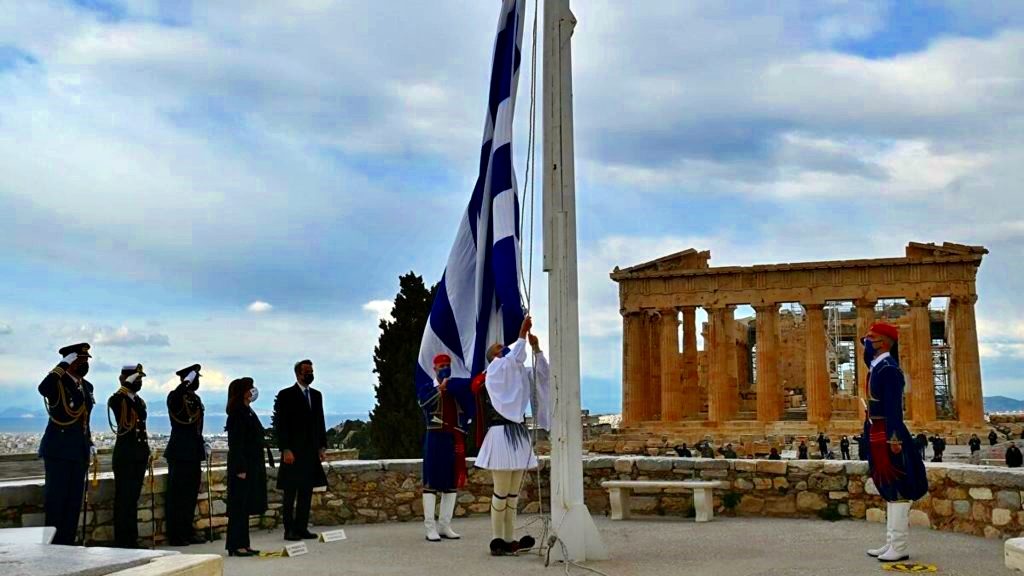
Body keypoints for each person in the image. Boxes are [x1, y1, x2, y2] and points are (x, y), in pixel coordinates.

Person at [472, 316, 548, 557]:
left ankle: (508, 538)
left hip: (516, 433)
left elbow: (541, 374)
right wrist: (521, 335)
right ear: (493, 357)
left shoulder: (514, 370)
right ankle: (497, 538)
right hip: (501, 434)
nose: (502, 348)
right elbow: (512, 358)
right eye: (497, 348)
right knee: (501, 489)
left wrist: (535, 349)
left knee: (513, 491)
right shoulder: (494, 371)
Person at [862, 322, 928, 563]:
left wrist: (894, 438)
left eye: (871, 338)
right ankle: (891, 541)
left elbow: (893, 409)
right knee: (888, 487)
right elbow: (867, 354)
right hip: (877, 431)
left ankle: (899, 546)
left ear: (884, 342)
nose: (867, 342)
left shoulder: (889, 369)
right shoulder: (878, 367)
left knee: (898, 487)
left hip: (889, 434)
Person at [38, 343, 96, 545]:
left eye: (86, 360)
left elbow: (84, 419)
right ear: (71, 362)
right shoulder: (58, 382)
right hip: (59, 450)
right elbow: (43, 389)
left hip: (79, 452)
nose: (85, 363)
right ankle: (51, 548)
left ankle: (68, 545)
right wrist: (61, 365)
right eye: (80, 360)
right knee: (56, 503)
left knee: (73, 504)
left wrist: (88, 442)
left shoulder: (87, 387)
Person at [418, 353, 473, 541]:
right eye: (441, 365)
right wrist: (439, 390)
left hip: (452, 439)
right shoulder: (427, 387)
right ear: (434, 368)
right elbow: (423, 404)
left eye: (447, 365)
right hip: (434, 439)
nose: (445, 368)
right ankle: (429, 527)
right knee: (431, 484)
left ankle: (445, 525)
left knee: (451, 484)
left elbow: (467, 407)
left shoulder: (456, 388)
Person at [273, 360, 328, 541]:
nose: (310, 374)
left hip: (310, 452)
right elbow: (281, 424)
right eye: (306, 371)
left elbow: (320, 421)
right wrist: (285, 448)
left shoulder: (316, 395)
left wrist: (322, 446)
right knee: (290, 492)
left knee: (306, 491)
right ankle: (289, 529)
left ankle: (302, 527)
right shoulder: (286, 395)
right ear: (298, 374)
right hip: (293, 452)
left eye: (312, 371)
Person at [164, 364, 208, 546]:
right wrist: (186, 382)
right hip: (180, 452)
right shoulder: (175, 396)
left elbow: (196, 426)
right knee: (177, 496)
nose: (197, 382)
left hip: (193, 452)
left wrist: (202, 442)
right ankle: (176, 535)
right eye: (194, 378)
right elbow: (175, 400)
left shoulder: (195, 399)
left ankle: (187, 531)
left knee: (190, 495)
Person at [109, 364, 150, 548]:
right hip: (125, 456)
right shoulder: (119, 399)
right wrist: (125, 386)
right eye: (136, 379)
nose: (139, 383)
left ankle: (132, 538)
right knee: (123, 499)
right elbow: (115, 402)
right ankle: (123, 540)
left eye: (140, 379)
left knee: (132, 499)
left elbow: (141, 415)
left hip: (138, 455)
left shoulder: (138, 401)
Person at [225, 377, 267, 557]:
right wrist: (240, 468)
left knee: (245, 506)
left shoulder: (246, 410)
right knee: (239, 508)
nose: (253, 391)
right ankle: (236, 544)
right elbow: (237, 443)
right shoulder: (237, 413)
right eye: (250, 388)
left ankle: (244, 543)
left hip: (252, 463)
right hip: (242, 466)